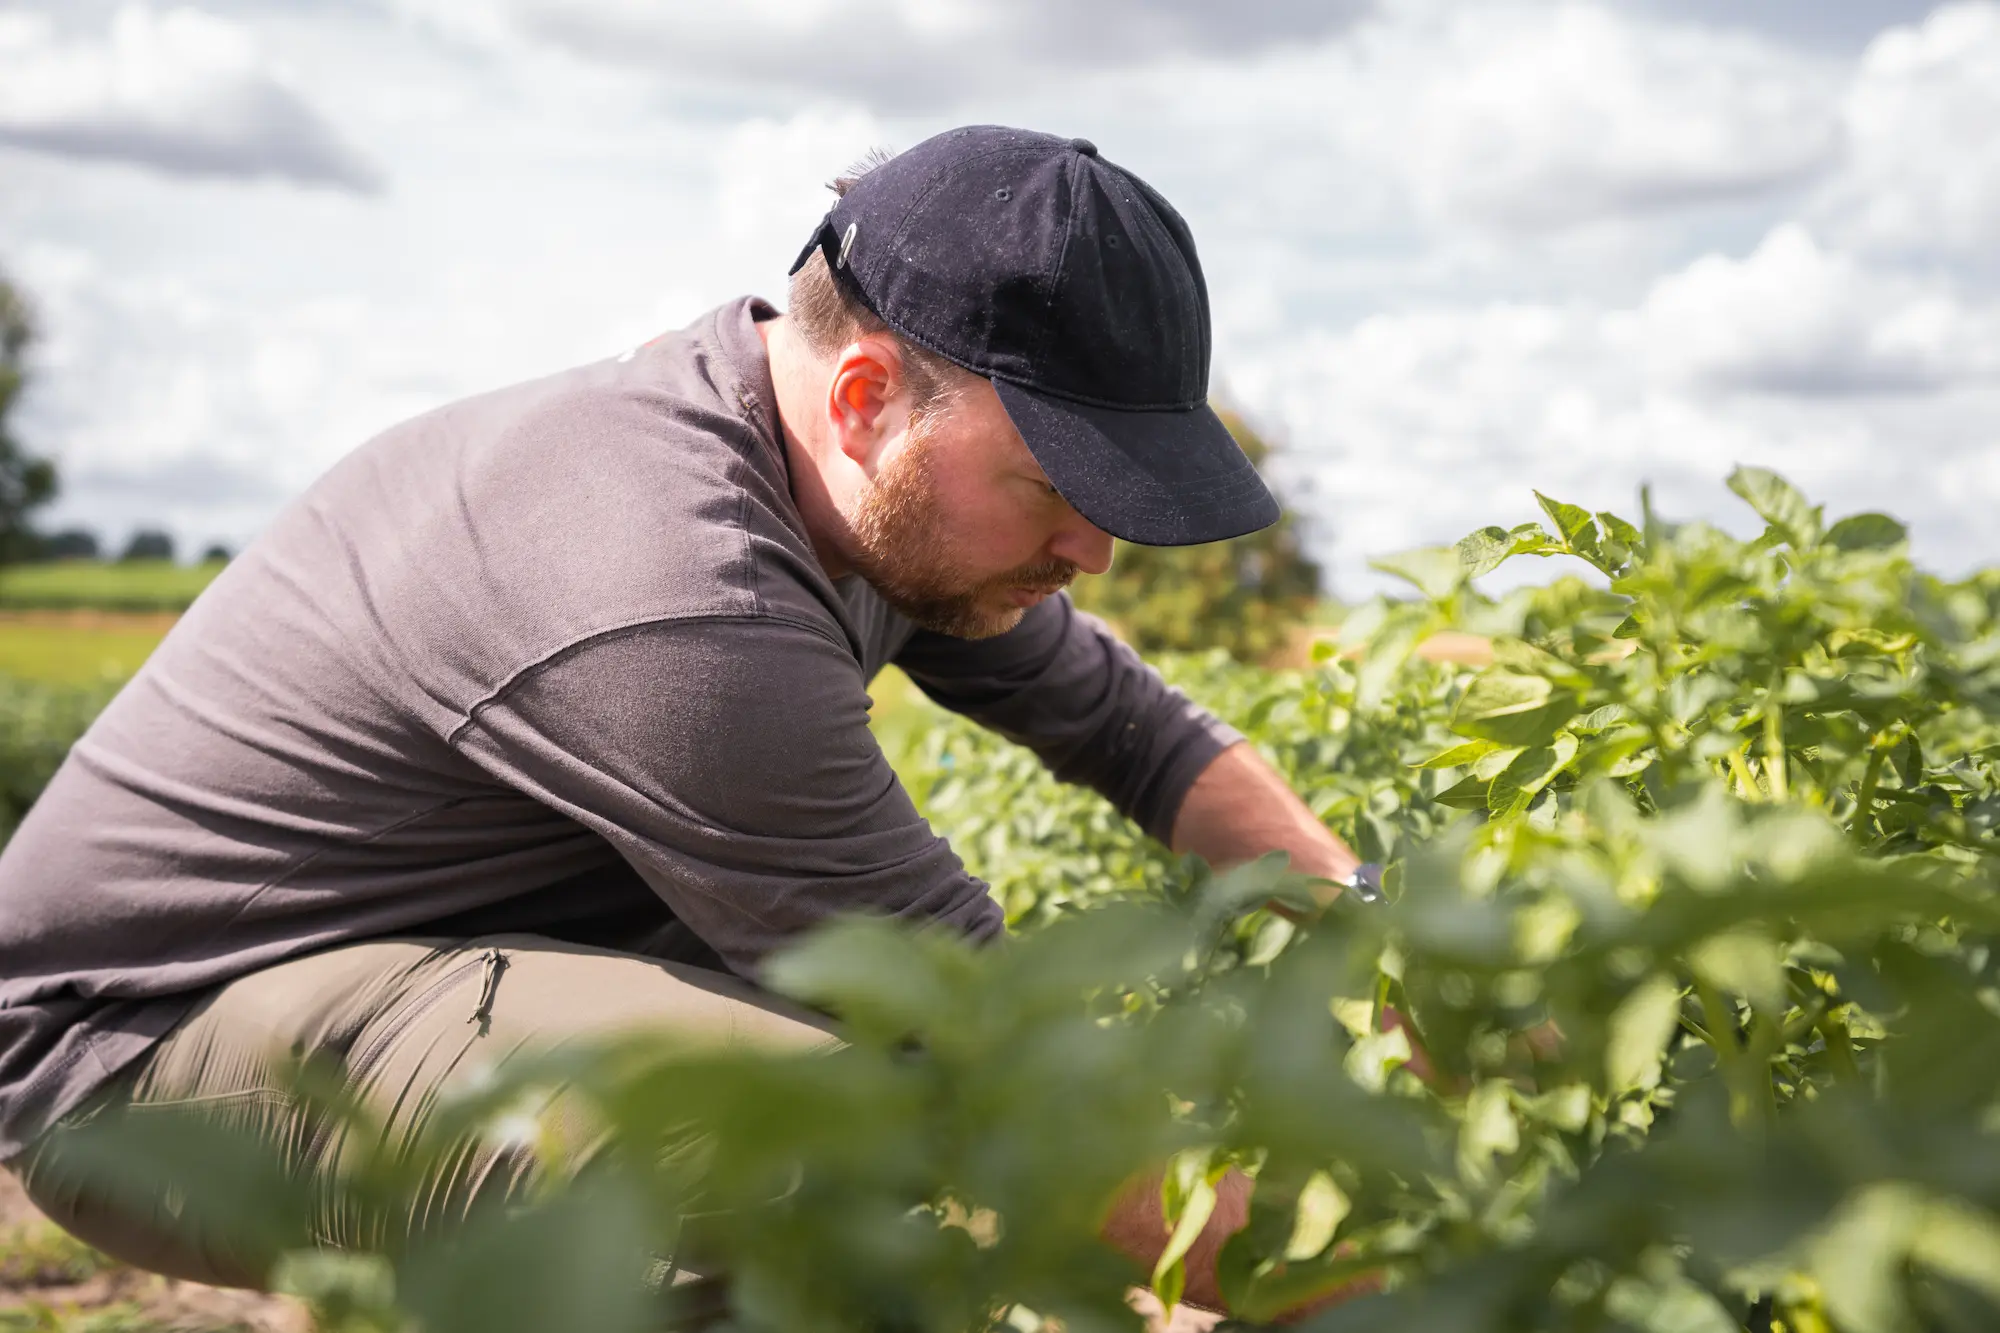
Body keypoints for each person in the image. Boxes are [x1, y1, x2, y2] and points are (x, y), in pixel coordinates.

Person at [0, 125, 1365, 1313]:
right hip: (129, 1054)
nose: (1096, 548)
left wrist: (1379, 936)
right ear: (866, 398)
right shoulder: (673, 592)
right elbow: (978, 1041)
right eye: (1055, 483)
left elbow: (1140, 735)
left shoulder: (875, 500)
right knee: (819, 1133)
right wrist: (1398, 1268)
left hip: (393, 961)